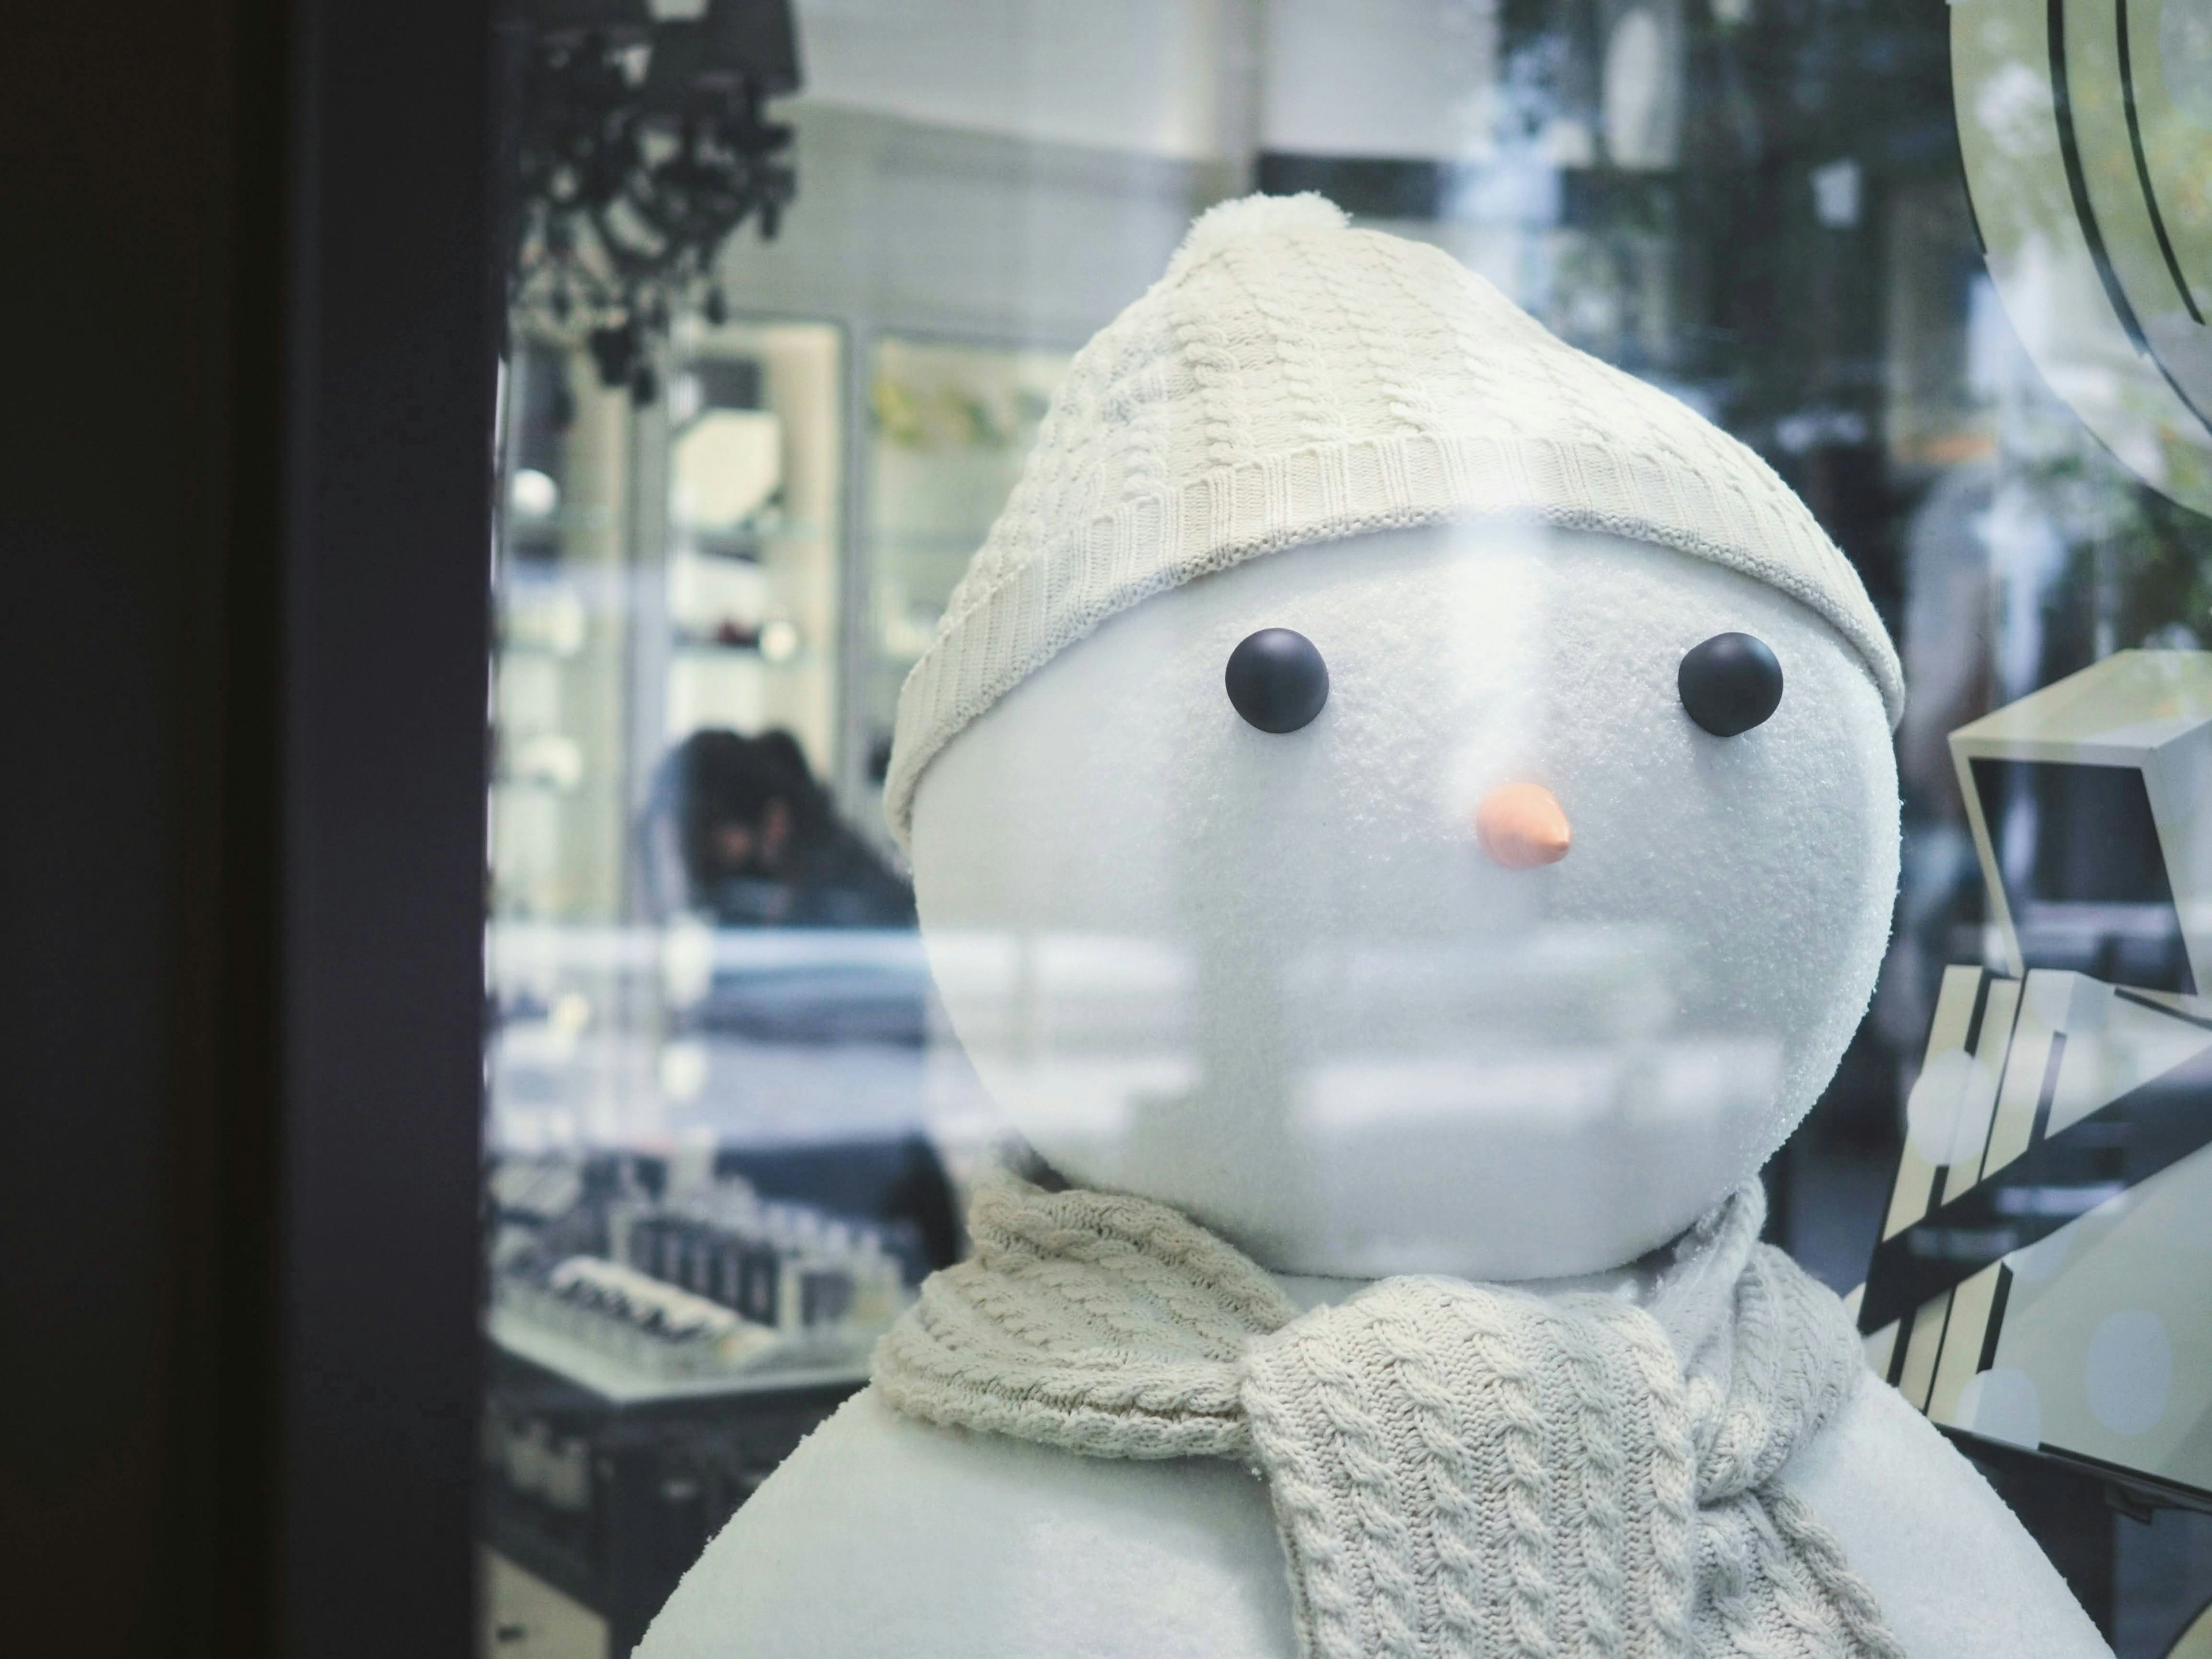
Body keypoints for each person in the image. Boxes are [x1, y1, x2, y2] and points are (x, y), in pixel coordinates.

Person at [658, 728, 915, 927]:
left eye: (717, 844)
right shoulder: (763, 898)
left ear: (774, 821)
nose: (710, 860)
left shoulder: (841, 896)